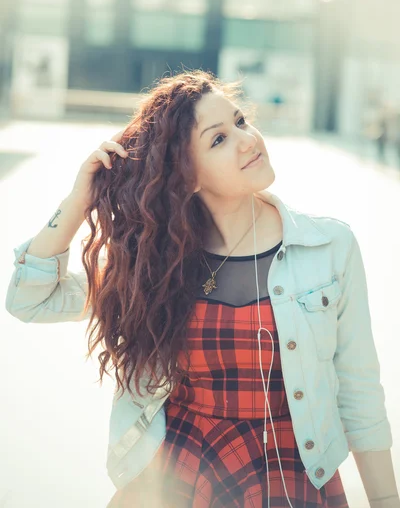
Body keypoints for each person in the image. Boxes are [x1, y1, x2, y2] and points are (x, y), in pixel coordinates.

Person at [5, 70, 399, 508]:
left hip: (290, 475)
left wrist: (384, 499)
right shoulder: (157, 263)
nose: (248, 140)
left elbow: (359, 392)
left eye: (240, 122)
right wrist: (79, 200)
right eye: (218, 140)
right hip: (176, 478)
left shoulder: (328, 248)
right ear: (188, 175)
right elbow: (28, 299)